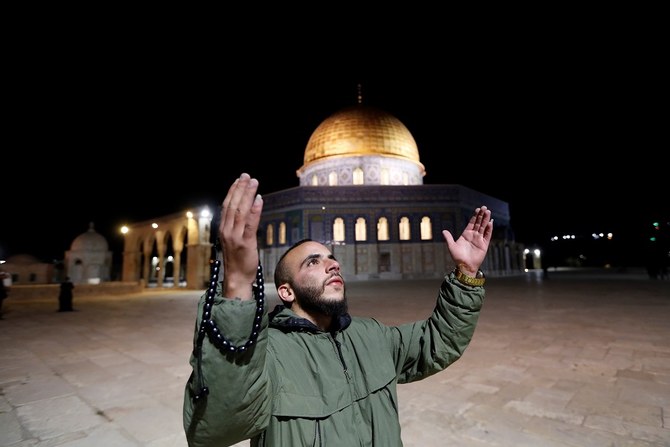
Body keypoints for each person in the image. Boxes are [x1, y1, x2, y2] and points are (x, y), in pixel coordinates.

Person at [183, 173, 493, 446]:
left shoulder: (371, 336)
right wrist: (237, 282)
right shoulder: (265, 354)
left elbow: (439, 342)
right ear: (286, 291)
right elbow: (216, 430)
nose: (333, 264)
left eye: (331, 257)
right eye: (313, 262)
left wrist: (466, 273)